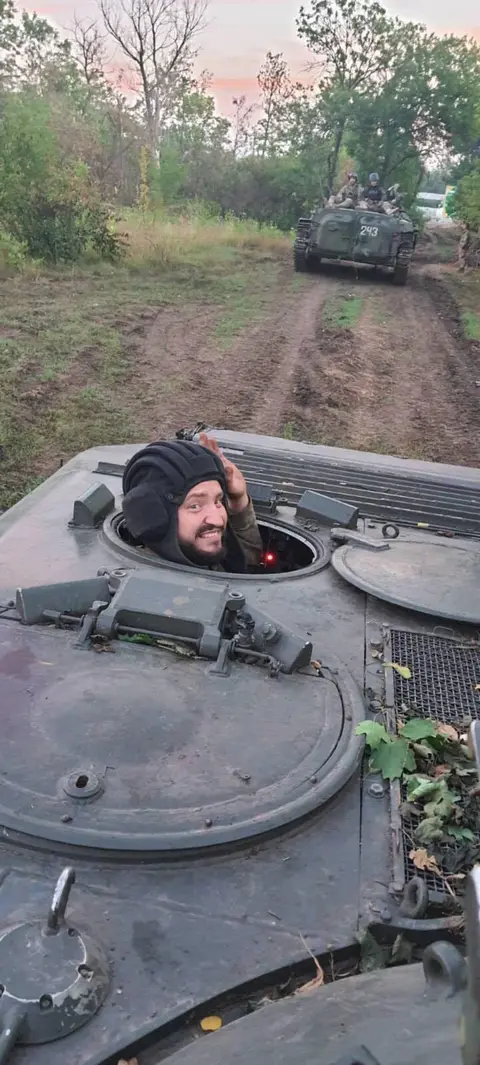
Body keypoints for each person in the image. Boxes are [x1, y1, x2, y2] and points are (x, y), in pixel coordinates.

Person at [121, 434, 263, 572]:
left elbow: (243, 568)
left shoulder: (194, 555)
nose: (217, 520)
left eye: (217, 501)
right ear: (153, 515)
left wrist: (238, 500)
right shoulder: (150, 584)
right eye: (195, 506)